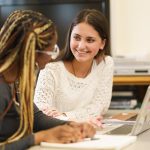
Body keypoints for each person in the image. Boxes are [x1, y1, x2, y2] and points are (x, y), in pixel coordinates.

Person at [0, 10, 95, 150]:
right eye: (52, 51)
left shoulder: (13, 82)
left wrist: (71, 125)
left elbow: (35, 117)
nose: (52, 58)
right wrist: (40, 137)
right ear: (32, 52)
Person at [34, 9, 114, 123]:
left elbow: (100, 106)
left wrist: (65, 115)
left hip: (86, 131)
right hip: (56, 132)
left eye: (90, 40)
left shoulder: (106, 63)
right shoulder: (50, 68)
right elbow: (39, 110)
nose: (81, 46)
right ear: (69, 37)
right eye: (76, 38)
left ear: (102, 43)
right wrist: (64, 118)